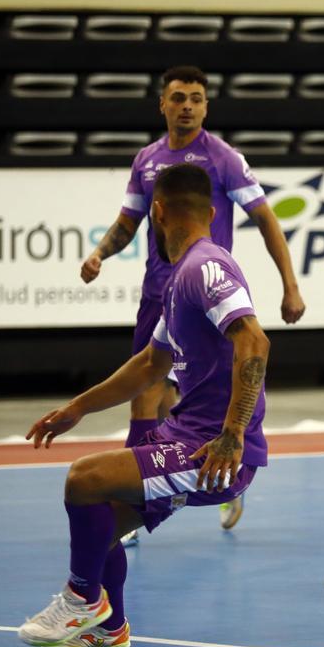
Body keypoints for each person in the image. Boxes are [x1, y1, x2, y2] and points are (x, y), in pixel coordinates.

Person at [17, 164, 272, 647]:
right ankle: (110, 628)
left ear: (156, 211)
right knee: (102, 528)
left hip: (213, 449)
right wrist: (77, 409)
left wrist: (233, 433)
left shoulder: (205, 267)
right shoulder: (181, 278)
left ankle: (82, 601)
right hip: (186, 435)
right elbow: (151, 364)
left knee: (84, 479)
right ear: (213, 212)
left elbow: (255, 342)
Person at [80, 65, 303, 538]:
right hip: (159, 295)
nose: (187, 106)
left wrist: (290, 285)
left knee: (203, 394)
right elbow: (128, 222)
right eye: (178, 97)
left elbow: (266, 219)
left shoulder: (223, 159)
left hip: (205, 297)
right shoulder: (147, 160)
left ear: (206, 106)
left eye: (197, 98)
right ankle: (139, 500)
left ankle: (227, 460)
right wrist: (100, 253)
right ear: (162, 104)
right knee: (147, 390)